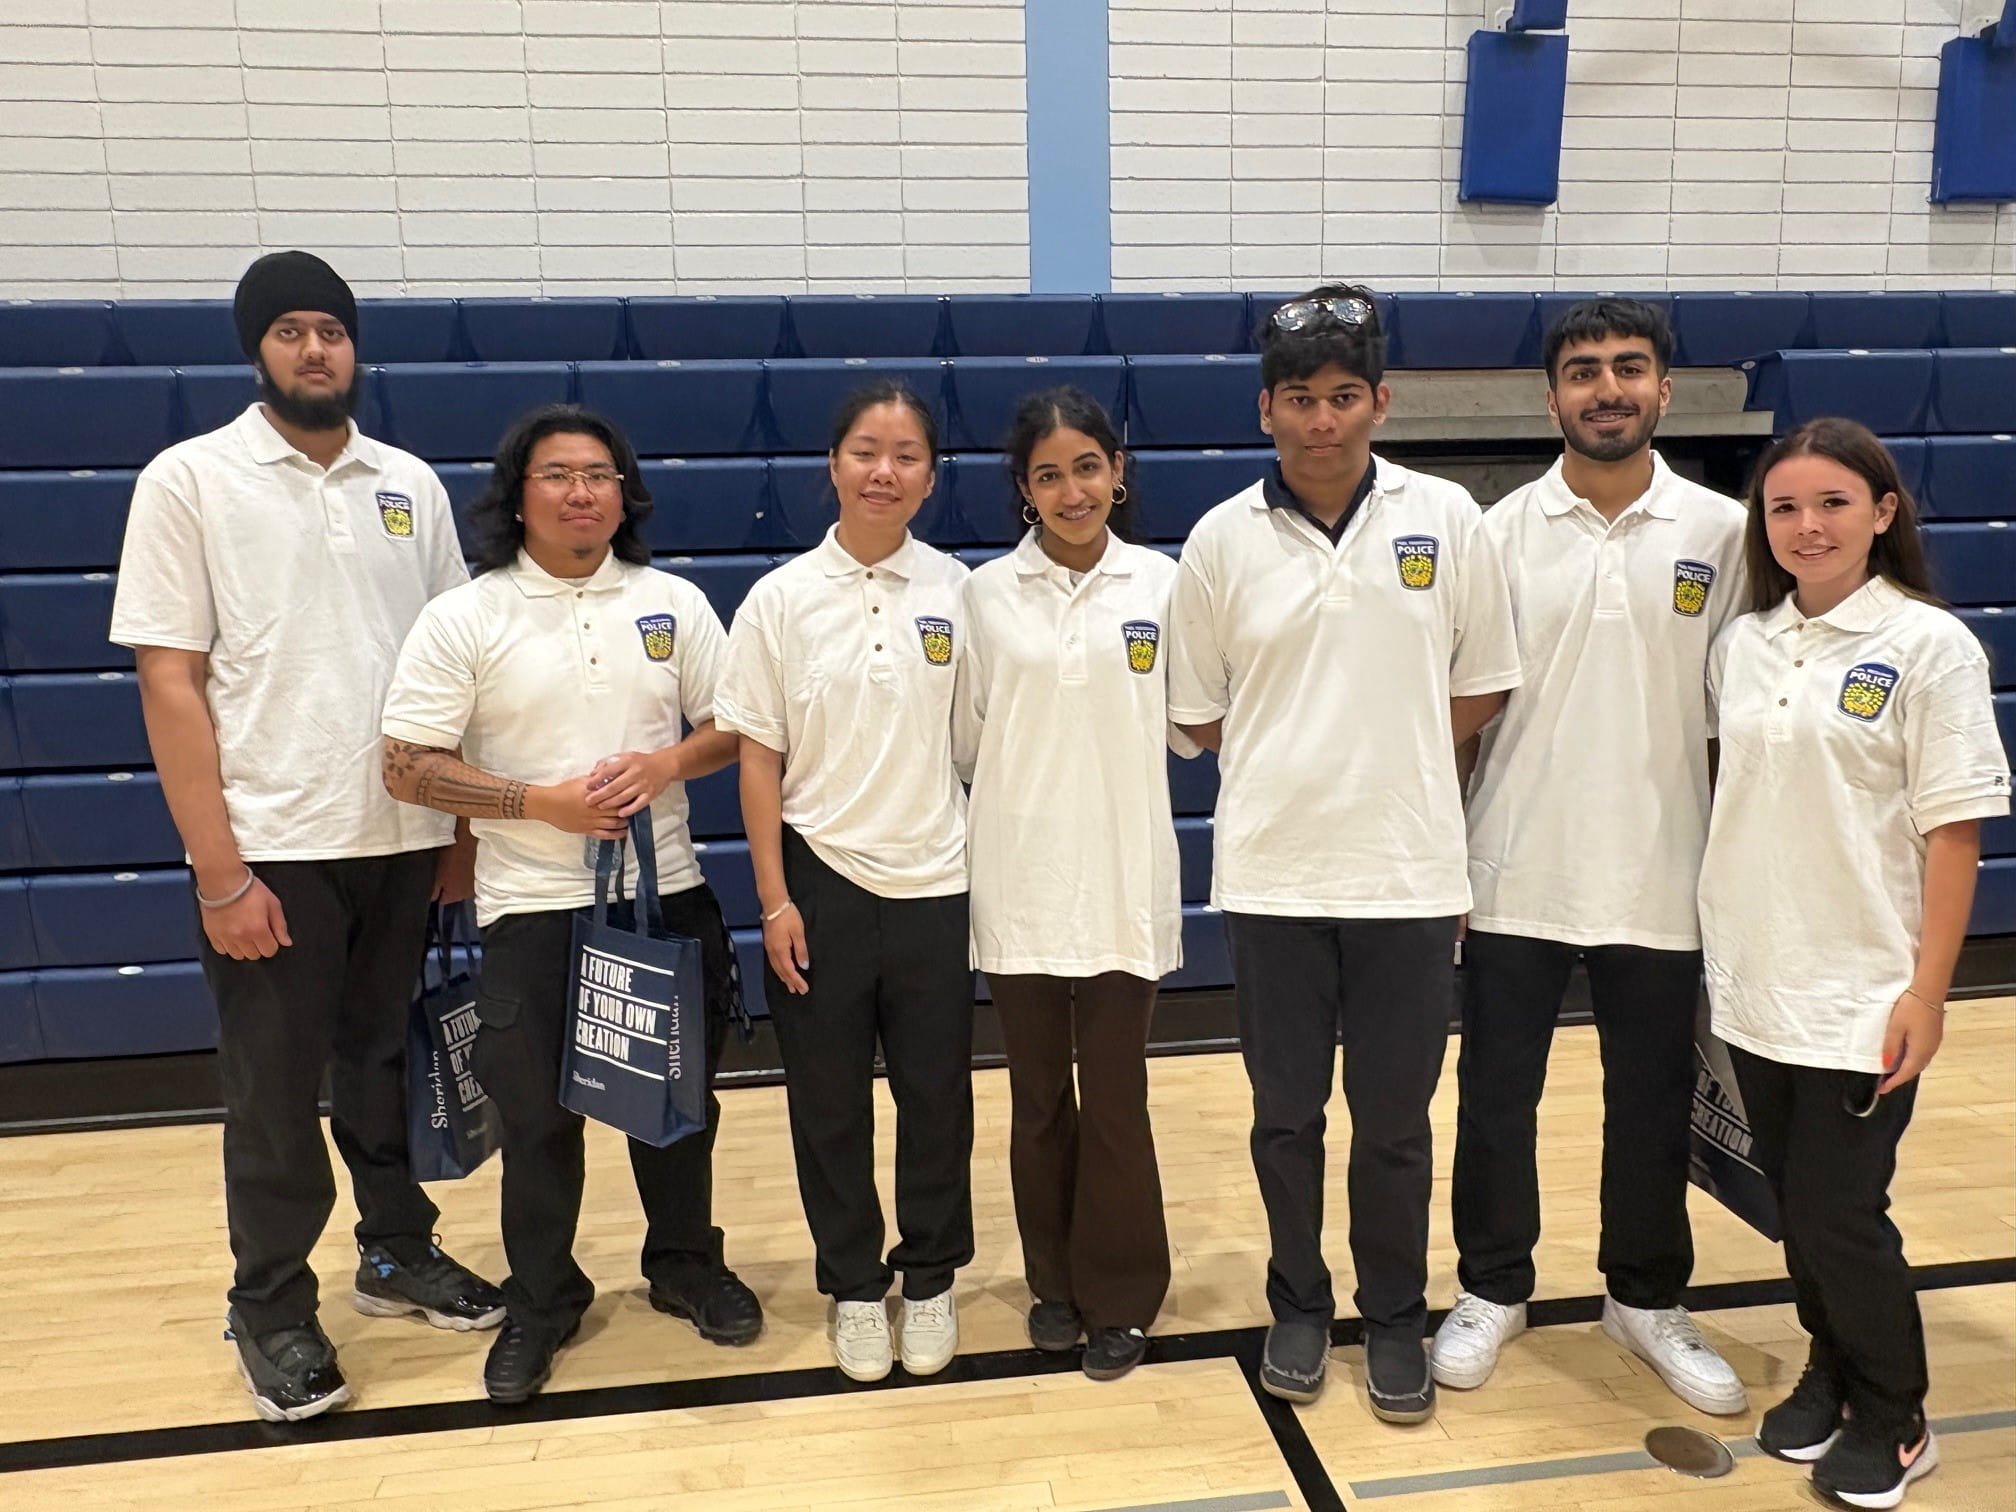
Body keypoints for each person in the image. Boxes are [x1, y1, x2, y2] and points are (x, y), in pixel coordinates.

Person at [109, 251, 503, 1423]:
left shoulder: (408, 485)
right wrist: (219, 869)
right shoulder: (190, 480)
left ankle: (394, 1249)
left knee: (381, 1063)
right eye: (290, 330)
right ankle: (271, 1303)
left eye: (331, 328)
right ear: (256, 349)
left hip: (397, 833)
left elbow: (453, 668)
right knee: (275, 1092)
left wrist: (458, 825)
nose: (315, 349)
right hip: (271, 843)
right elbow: (169, 684)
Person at [1166, 284, 1521, 1421]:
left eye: (1346, 396)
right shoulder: (1221, 540)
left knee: (1397, 1123)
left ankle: (1398, 1315)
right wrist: (1302, 757)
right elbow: (1202, 711)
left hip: (1409, 878)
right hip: (1272, 879)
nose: (1324, 419)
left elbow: (1479, 687)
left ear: (1383, 400)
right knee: (1285, 1118)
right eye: (1301, 398)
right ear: (1267, 408)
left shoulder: (1448, 518)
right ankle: (1300, 1301)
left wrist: (1389, 755)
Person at [378, 404, 762, 1404]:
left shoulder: (672, 601)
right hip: (530, 911)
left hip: (664, 894)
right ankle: (545, 1298)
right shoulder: (467, 614)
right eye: (557, 474)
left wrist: (666, 761)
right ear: (519, 495)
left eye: (598, 474)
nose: (581, 490)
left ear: (623, 494)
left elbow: (735, 727)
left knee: (674, 1108)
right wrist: (532, 802)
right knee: (540, 1121)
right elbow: (407, 767)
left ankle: (683, 1264)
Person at [1432, 299, 1749, 1414]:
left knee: (1653, 1101)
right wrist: (1450, 866)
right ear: (1551, 394)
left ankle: (1646, 1296)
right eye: (1582, 371)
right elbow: (1459, 716)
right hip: (1516, 865)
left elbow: (1740, 724)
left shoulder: (1725, 531)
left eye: (1628, 368)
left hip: (1665, 872)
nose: (1605, 388)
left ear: (1665, 389)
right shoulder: (1493, 532)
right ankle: (1492, 1287)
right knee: (1495, 1097)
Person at [1700, 418, 2008, 1509]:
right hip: (1755, 980)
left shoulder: (1929, 647)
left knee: (1841, 1211)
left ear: (1883, 513)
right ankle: (1829, 1368)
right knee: (1794, 1205)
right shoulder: (1745, 644)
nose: (1808, 525)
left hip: (1863, 992)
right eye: (1785, 507)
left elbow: (1955, 832)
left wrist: (1928, 992)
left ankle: (1896, 1411)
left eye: (1833, 503)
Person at [714, 381, 974, 1384]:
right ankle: (858, 1289)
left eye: (907, 454)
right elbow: (756, 760)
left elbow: (977, 750)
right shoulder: (780, 600)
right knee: (827, 1103)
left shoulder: (962, 592)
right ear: (833, 465)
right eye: (867, 450)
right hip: (819, 883)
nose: (885, 470)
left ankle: (934, 1278)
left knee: (935, 1098)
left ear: (930, 477)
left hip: (936, 882)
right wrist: (774, 899)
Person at [952, 388, 1183, 1383]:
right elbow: (967, 740)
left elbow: (1191, 724)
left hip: (1128, 879)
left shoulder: (1168, 587)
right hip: (1022, 881)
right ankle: (1054, 1286)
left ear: (1117, 472)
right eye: (1049, 473)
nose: (1072, 488)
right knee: (1039, 1098)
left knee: (1119, 1099)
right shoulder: (984, 597)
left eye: (1087, 466)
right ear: (1024, 491)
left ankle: (1123, 1295)